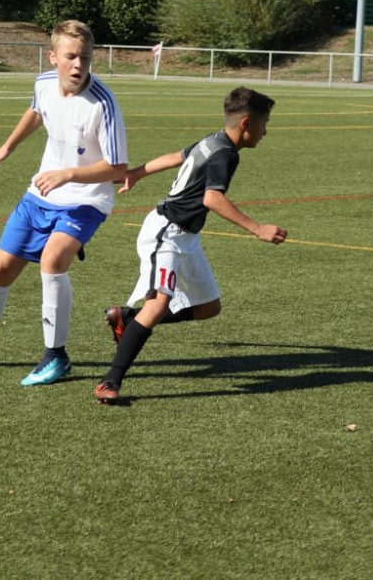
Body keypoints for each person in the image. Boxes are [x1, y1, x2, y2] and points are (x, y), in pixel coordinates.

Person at [0, 20, 128, 386]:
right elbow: (36, 112)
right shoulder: (44, 83)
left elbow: (118, 168)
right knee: (1, 269)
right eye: (71, 56)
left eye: (85, 57)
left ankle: (56, 358)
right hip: (41, 193)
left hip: (86, 199)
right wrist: (8, 146)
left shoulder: (102, 104)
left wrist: (68, 174)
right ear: (53, 57)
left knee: (52, 261)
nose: (78, 65)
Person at [94, 87, 287, 404]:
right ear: (246, 123)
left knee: (208, 308)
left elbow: (177, 157)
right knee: (159, 304)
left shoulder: (214, 140)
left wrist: (137, 173)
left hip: (186, 238)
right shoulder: (226, 153)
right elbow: (212, 198)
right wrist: (257, 228)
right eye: (264, 124)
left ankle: (128, 320)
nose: (265, 132)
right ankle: (110, 381)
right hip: (166, 234)